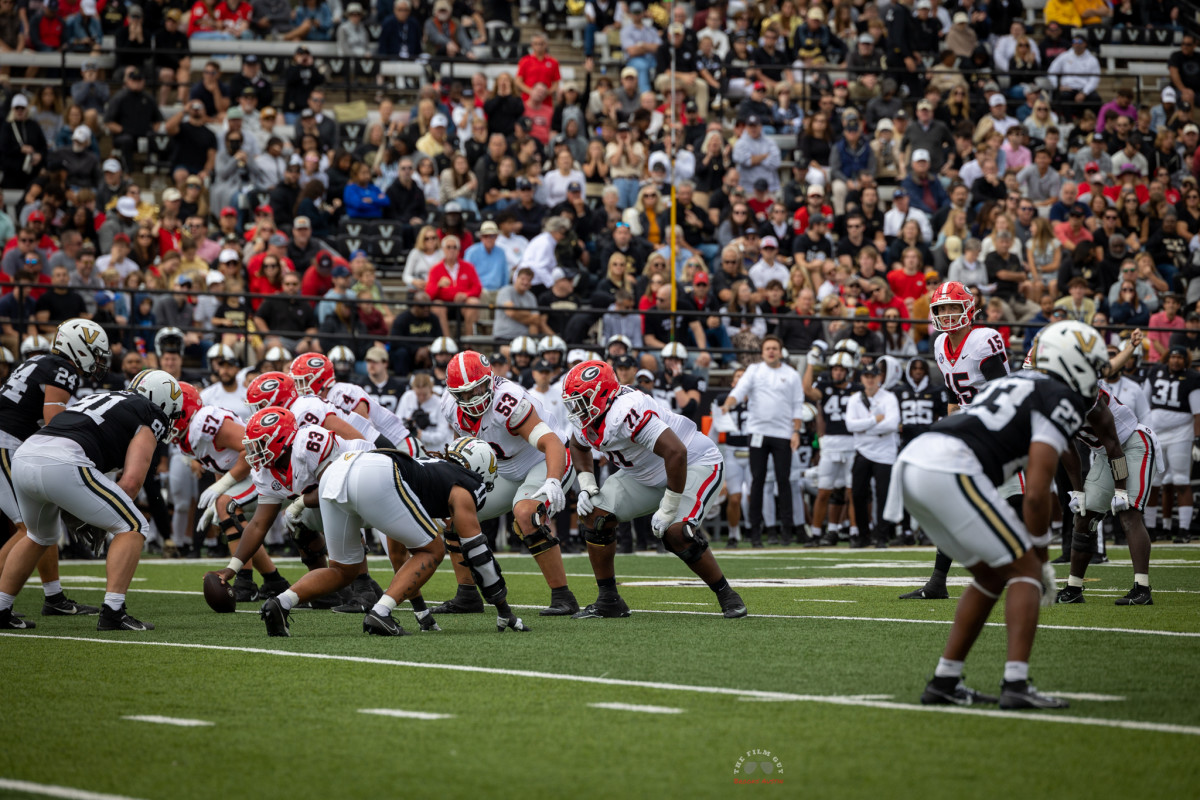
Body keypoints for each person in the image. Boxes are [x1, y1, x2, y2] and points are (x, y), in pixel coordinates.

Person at [883, 321, 1108, 709]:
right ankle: (1016, 685)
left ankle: (944, 681)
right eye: (1092, 363)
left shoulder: (1016, 382)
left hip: (916, 461)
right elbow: (1037, 493)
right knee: (1024, 570)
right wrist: (1039, 554)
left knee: (989, 575)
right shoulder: (1059, 398)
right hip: (949, 465)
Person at [0, 369, 182, 632]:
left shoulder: (105, 397)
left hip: (25, 456)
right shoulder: (150, 412)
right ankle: (113, 612)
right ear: (164, 400)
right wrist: (104, 519)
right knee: (133, 525)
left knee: (38, 536)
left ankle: (2, 607)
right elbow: (131, 482)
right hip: (63, 461)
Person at [564, 360, 747, 619]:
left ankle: (727, 594)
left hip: (694, 463)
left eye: (582, 400)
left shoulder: (626, 411)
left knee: (676, 533)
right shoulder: (591, 416)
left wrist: (669, 506)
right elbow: (578, 445)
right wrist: (587, 485)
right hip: (643, 475)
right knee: (594, 515)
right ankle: (609, 599)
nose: (577, 409)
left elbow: (676, 452)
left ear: (603, 395)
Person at [437, 351, 579, 616]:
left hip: (542, 460)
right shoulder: (449, 404)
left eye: (476, 389)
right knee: (453, 512)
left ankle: (563, 596)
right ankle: (467, 594)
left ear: (490, 380)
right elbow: (464, 443)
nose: (471, 399)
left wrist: (551, 480)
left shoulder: (508, 402)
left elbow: (552, 443)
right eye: (463, 394)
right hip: (501, 468)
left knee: (526, 514)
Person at [902, 281, 1011, 600]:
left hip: (996, 428)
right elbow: (953, 393)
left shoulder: (983, 339)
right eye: (942, 308)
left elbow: (1003, 393)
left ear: (969, 309)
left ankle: (1031, 572)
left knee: (1014, 503)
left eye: (953, 307)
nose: (948, 314)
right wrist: (951, 424)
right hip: (968, 431)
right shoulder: (939, 345)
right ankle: (938, 582)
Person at [0, 319, 109, 626]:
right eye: (95, 353)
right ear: (79, 348)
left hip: (11, 441)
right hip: (5, 442)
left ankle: (54, 598)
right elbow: (54, 419)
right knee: (29, 531)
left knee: (44, 523)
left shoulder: (39, 360)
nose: (98, 361)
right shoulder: (63, 368)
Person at [172, 381, 290, 603]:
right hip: (253, 476)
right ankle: (273, 580)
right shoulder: (186, 438)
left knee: (228, 505)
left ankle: (245, 580)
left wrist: (223, 489)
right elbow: (221, 465)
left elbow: (252, 449)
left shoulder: (205, 422)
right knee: (228, 509)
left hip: (271, 472)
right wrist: (219, 494)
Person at [1056, 383, 1158, 606]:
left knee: (1128, 513)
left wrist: (1120, 490)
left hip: (1132, 445)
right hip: (1104, 454)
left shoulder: (1085, 392)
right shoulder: (1047, 400)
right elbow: (1066, 448)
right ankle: (1073, 588)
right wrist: (1077, 491)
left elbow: (1114, 445)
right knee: (1084, 516)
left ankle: (1142, 589)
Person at [719, 336, 805, 547]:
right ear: (762, 351)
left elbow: (797, 405)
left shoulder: (791, 375)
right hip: (757, 432)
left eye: (775, 348)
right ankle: (755, 533)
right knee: (757, 481)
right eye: (768, 348)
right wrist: (727, 404)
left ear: (781, 351)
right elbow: (739, 392)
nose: (771, 352)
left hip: (783, 433)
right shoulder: (754, 371)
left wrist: (796, 431)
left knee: (783, 481)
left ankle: (787, 531)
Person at [1142, 346, 1200, 544]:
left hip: (1180, 434)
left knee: (1181, 480)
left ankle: (1184, 529)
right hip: (1155, 433)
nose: (1175, 361)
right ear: (1167, 358)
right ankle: (1150, 527)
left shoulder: (1192, 378)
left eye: (1179, 357)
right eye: (1173, 356)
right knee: (1153, 481)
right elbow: (1143, 401)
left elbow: (1197, 412)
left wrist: (1197, 438)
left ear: (1186, 360)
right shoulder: (1155, 372)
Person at [804, 349, 859, 547]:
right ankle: (816, 533)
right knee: (823, 491)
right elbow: (808, 391)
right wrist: (810, 364)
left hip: (852, 443)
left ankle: (854, 532)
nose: (837, 373)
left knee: (852, 492)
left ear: (849, 371)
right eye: (834, 369)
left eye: (841, 369)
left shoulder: (858, 389)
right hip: (830, 444)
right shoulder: (825, 387)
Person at [845, 361, 900, 548]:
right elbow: (850, 425)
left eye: (873, 376)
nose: (870, 380)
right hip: (862, 450)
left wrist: (865, 427)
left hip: (885, 453)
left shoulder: (889, 398)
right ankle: (863, 535)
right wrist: (874, 421)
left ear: (879, 378)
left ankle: (881, 535)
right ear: (861, 379)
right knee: (858, 493)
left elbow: (892, 424)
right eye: (866, 376)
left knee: (883, 494)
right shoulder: (854, 399)